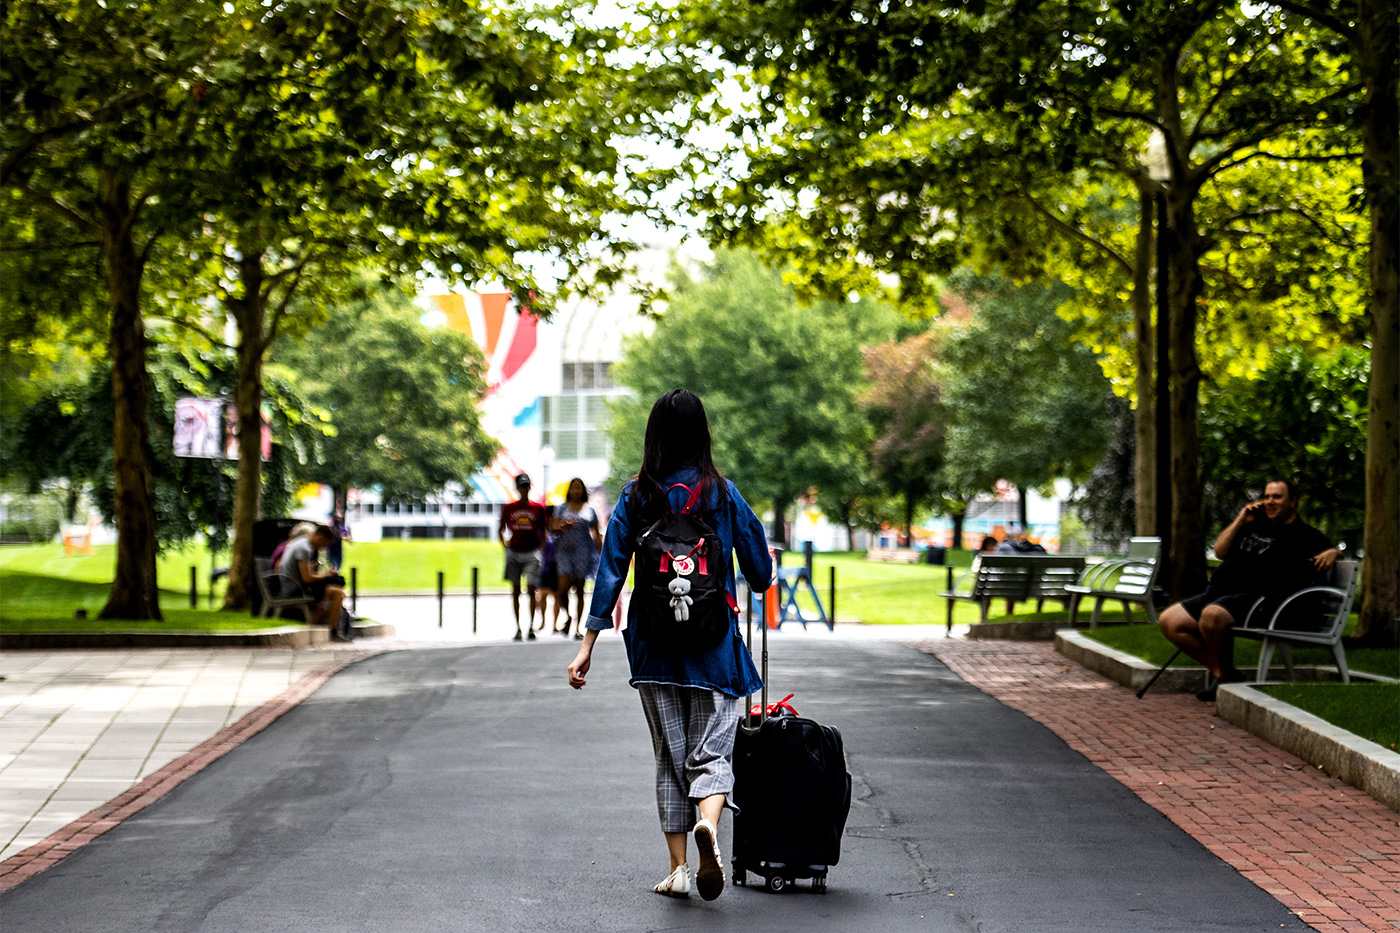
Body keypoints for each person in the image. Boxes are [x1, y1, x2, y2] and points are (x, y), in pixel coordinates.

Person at [567, 390, 771, 902]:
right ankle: (709, 823)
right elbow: (761, 572)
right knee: (713, 752)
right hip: (714, 646)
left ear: (653, 435)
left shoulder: (637, 495)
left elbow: (611, 570)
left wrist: (587, 645)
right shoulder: (722, 493)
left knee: (669, 757)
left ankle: (679, 868)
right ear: (702, 434)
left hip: (653, 647)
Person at [1158, 479, 1339, 701]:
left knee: (1213, 616)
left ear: (1293, 502)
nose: (1270, 502)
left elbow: (1329, 552)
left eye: (1277, 497)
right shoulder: (1253, 525)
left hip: (1257, 600)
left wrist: (1334, 553)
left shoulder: (1304, 534)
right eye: (1267, 496)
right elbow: (1220, 551)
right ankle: (1225, 673)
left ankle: (1225, 678)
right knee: (1169, 621)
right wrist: (1240, 520)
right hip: (1220, 593)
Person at [278, 524, 350, 640]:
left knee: (325, 607)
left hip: (294, 585)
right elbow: (307, 578)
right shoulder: (304, 548)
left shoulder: (301, 542)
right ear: (320, 537)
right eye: (325, 544)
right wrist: (326, 575)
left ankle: (314, 630)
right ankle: (333, 632)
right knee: (338, 593)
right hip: (295, 589)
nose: (323, 548)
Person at [550, 477, 602, 638]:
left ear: (583, 491)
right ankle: (567, 615)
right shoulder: (560, 508)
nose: (576, 491)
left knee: (580, 588)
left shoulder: (589, 510)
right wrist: (562, 526)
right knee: (562, 588)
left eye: (579, 488)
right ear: (569, 490)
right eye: (573, 488)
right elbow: (552, 528)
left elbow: (596, 534)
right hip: (564, 551)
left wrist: (602, 553)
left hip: (583, 551)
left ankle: (578, 627)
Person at [499, 473, 548, 641]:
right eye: (522, 486)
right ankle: (519, 627)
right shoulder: (509, 508)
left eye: (527, 486)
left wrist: (540, 549)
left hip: (531, 551)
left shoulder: (537, 509)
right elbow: (501, 527)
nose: (524, 489)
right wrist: (505, 545)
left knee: (532, 589)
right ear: (517, 488)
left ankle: (531, 626)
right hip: (514, 551)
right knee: (515, 590)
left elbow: (544, 531)